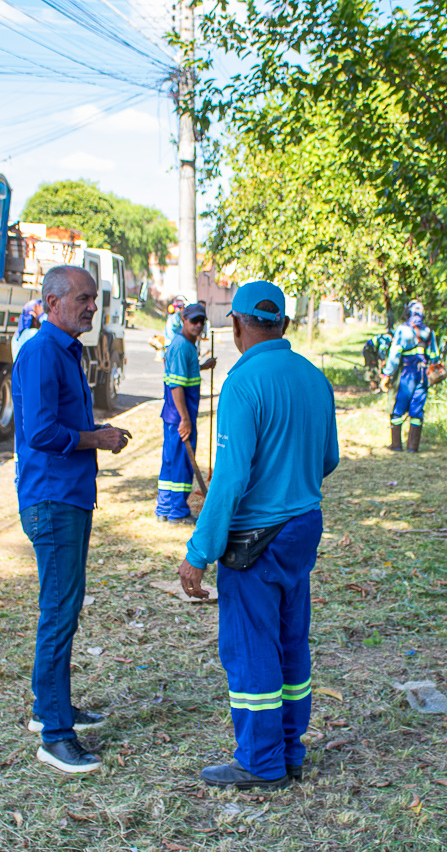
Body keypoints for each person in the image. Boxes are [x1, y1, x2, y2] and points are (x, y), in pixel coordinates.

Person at [176, 280, 340, 791]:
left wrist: (198, 552)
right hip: (303, 527)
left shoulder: (243, 384)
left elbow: (229, 479)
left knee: (251, 648)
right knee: (291, 640)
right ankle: (291, 749)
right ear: (284, 326)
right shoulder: (315, 378)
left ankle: (260, 761)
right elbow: (328, 459)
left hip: (254, 539)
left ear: (236, 325)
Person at [12, 265, 133, 775]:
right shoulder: (41, 352)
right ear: (51, 303)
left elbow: (62, 423)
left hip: (68, 497)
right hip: (53, 499)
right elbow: (41, 432)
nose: (91, 307)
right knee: (59, 614)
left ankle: (50, 709)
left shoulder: (64, 350)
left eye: (93, 299)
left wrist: (94, 430)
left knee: (65, 608)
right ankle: (56, 737)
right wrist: (96, 439)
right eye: (82, 299)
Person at [157, 303, 217, 523]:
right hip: (179, 417)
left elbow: (182, 370)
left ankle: (164, 508)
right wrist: (185, 419)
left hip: (175, 416)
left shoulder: (185, 346)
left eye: (202, 321)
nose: (198, 325)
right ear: (183, 319)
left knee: (171, 461)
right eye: (194, 321)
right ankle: (178, 512)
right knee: (181, 463)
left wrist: (202, 366)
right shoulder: (182, 346)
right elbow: (176, 387)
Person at [381, 300, 440, 453]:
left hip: (406, 373)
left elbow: (394, 355)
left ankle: (396, 445)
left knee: (398, 408)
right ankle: (413, 448)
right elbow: (434, 356)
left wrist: (387, 374)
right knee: (417, 410)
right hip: (423, 374)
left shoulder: (402, 330)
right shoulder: (428, 331)